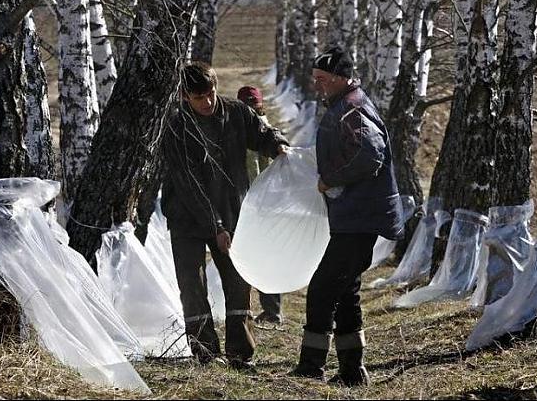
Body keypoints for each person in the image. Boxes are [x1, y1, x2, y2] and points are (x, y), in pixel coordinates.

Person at [161, 62, 289, 370]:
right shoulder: (177, 128)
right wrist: (215, 225)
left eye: (210, 94)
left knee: (237, 281)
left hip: (232, 211)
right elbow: (189, 184)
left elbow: (262, 133)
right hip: (186, 217)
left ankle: (239, 352)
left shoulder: (236, 112)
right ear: (184, 96)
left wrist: (278, 144)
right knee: (192, 283)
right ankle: (205, 353)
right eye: (198, 98)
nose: (206, 103)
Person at [290, 47, 404, 386]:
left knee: (323, 289)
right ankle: (353, 373)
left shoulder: (351, 110)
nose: (318, 86)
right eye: (316, 80)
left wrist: (331, 178)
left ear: (341, 78)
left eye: (323, 80)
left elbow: (371, 155)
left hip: (360, 217)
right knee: (345, 291)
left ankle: (312, 367)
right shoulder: (345, 105)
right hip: (354, 217)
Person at [237, 85, 284, 326]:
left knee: (264, 257)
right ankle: (265, 309)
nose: (249, 110)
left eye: (252, 105)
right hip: (253, 202)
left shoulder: (265, 132)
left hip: (262, 203)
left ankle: (272, 310)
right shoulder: (240, 129)